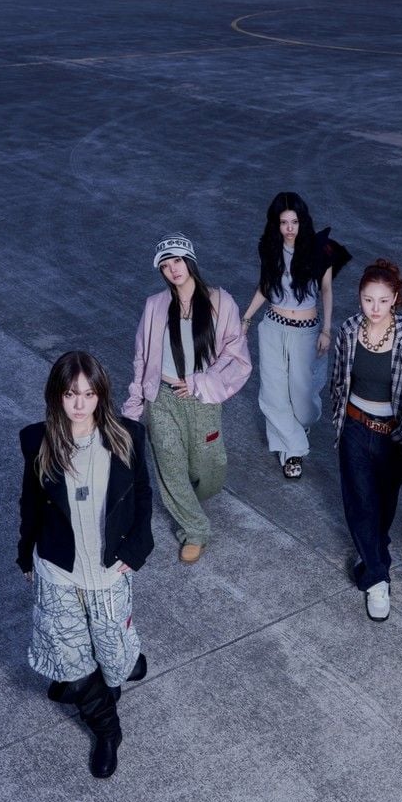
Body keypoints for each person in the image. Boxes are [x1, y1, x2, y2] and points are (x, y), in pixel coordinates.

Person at [17, 351, 153, 778]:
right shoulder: (38, 442)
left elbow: (142, 494)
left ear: (101, 395)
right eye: (71, 394)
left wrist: (138, 548)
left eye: (89, 394)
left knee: (113, 660)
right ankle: (108, 731)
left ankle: (121, 666)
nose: (80, 404)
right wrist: (25, 554)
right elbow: (30, 504)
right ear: (56, 395)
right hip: (58, 571)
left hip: (109, 571)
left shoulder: (127, 436)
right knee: (75, 669)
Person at [123, 233, 251, 563]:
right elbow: (141, 358)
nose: (173, 270)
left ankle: (186, 502)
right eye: (165, 266)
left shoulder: (220, 301)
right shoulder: (155, 305)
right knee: (170, 467)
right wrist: (134, 405)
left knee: (209, 469)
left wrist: (199, 381)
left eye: (177, 261)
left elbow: (236, 353)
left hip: (202, 399)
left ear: (190, 260)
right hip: (161, 399)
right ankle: (195, 530)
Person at [331, 258, 402, 621]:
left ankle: (371, 551)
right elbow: (338, 381)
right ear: (359, 297)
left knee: (382, 505)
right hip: (354, 428)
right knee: (359, 502)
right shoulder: (349, 330)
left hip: (395, 437)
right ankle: (378, 579)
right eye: (368, 300)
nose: (375, 308)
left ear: (395, 298)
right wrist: (341, 420)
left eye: (382, 300)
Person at [242, 192, 350, 479]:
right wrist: (247, 317)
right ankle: (293, 452)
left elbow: (326, 290)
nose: (289, 228)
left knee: (303, 403)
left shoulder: (320, 250)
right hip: (273, 327)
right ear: (276, 224)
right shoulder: (270, 249)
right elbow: (265, 285)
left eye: (294, 222)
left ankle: (299, 427)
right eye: (283, 222)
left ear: (303, 221)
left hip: (307, 332)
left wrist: (326, 329)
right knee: (273, 394)